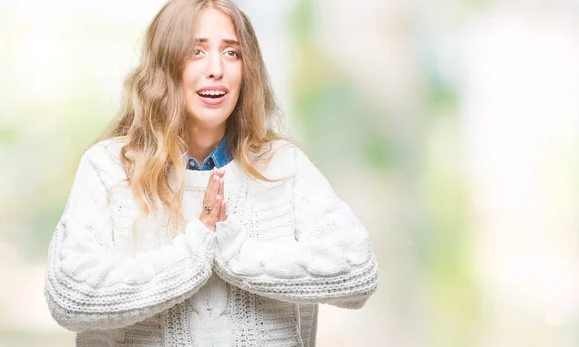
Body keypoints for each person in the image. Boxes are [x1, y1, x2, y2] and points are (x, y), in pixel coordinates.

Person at [44, 0, 379, 346]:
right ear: (165, 64)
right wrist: (195, 249)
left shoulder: (282, 165)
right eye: (197, 51)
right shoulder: (110, 167)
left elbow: (358, 270)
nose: (217, 68)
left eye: (232, 53)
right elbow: (71, 296)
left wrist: (234, 252)